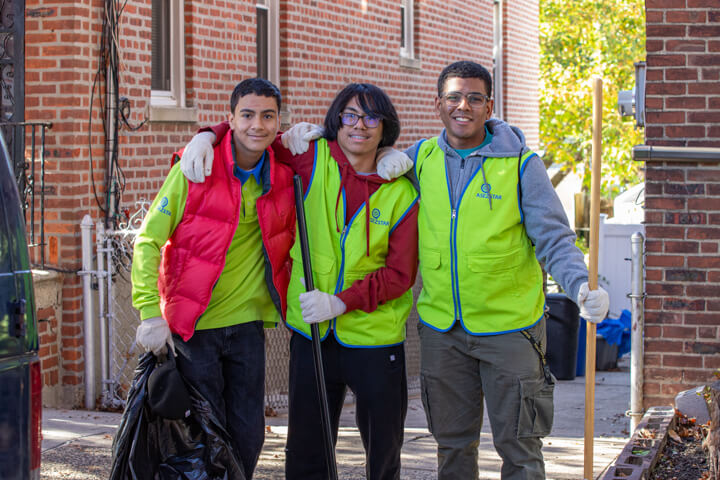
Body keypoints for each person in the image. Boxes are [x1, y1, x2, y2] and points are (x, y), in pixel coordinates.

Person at [180, 83, 419, 480]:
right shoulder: (310, 158)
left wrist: (342, 301)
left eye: (372, 117)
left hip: (375, 338)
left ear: (385, 127)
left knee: (383, 451)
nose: (359, 125)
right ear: (336, 122)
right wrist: (208, 135)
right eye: (350, 116)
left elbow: (399, 274)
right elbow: (253, 134)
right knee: (307, 451)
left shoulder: (402, 190)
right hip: (312, 335)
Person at [131, 78, 296, 480]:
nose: (257, 124)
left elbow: (349, 147)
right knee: (202, 437)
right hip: (193, 330)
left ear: (278, 122)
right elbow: (148, 240)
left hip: (247, 327)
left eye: (268, 116)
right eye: (247, 114)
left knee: (247, 434)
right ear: (231, 118)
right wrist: (149, 313)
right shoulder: (194, 169)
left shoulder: (283, 174)